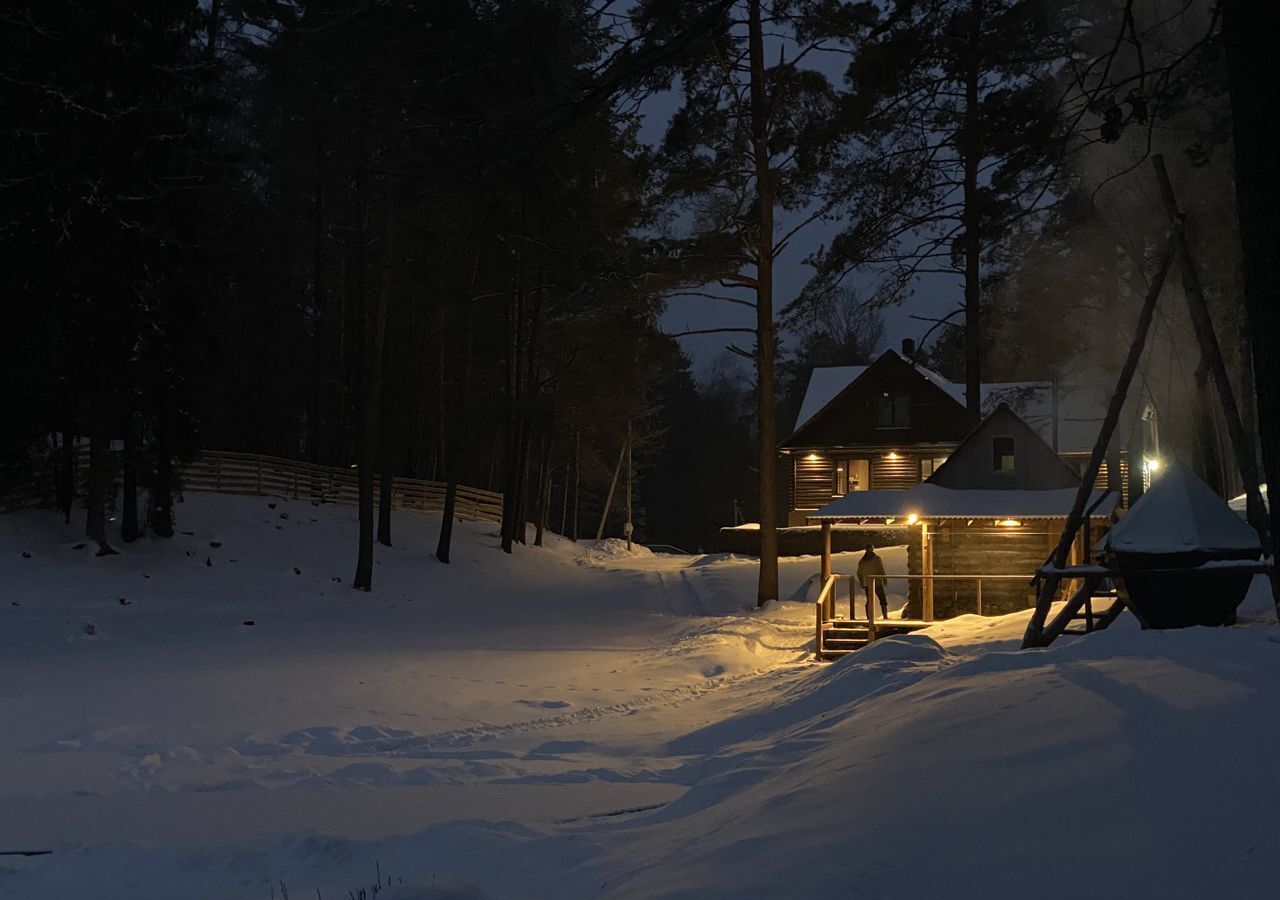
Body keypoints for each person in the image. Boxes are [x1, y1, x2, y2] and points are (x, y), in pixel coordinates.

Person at [857, 544, 889, 621]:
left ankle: (870, 618)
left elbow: (859, 573)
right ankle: (884, 617)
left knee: (870, 600)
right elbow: (881, 569)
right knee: (881, 599)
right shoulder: (876, 559)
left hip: (868, 583)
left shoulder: (862, 561)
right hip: (876, 582)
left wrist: (862, 582)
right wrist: (884, 578)